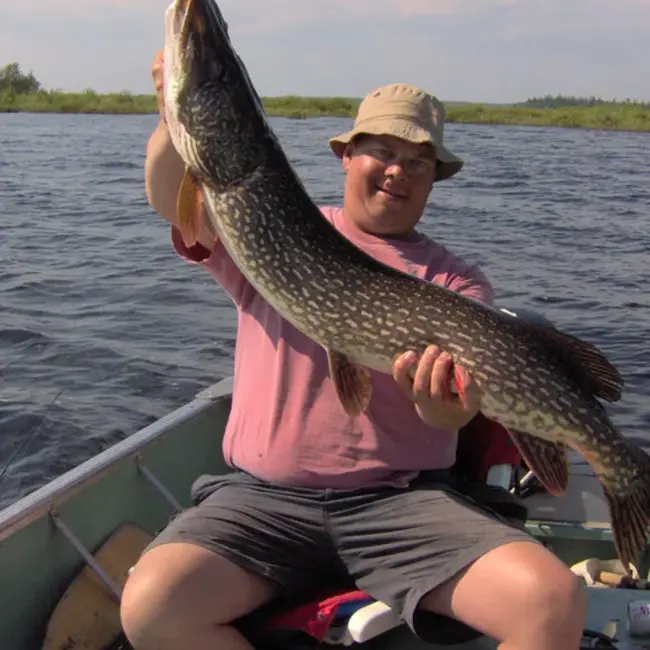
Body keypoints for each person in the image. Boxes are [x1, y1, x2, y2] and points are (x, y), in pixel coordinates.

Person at [120, 50, 587, 650]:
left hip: (401, 505)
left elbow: (453, 414)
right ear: (347, 156)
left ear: (434, 178)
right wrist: (171, 115)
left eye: (418, 162)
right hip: (262, 502)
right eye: (384, 153)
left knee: (551, 602)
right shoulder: (272, 225)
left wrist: (444, 407)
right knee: (154, 605)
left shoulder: (455, 282)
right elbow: (169, 200)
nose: (398, 171)